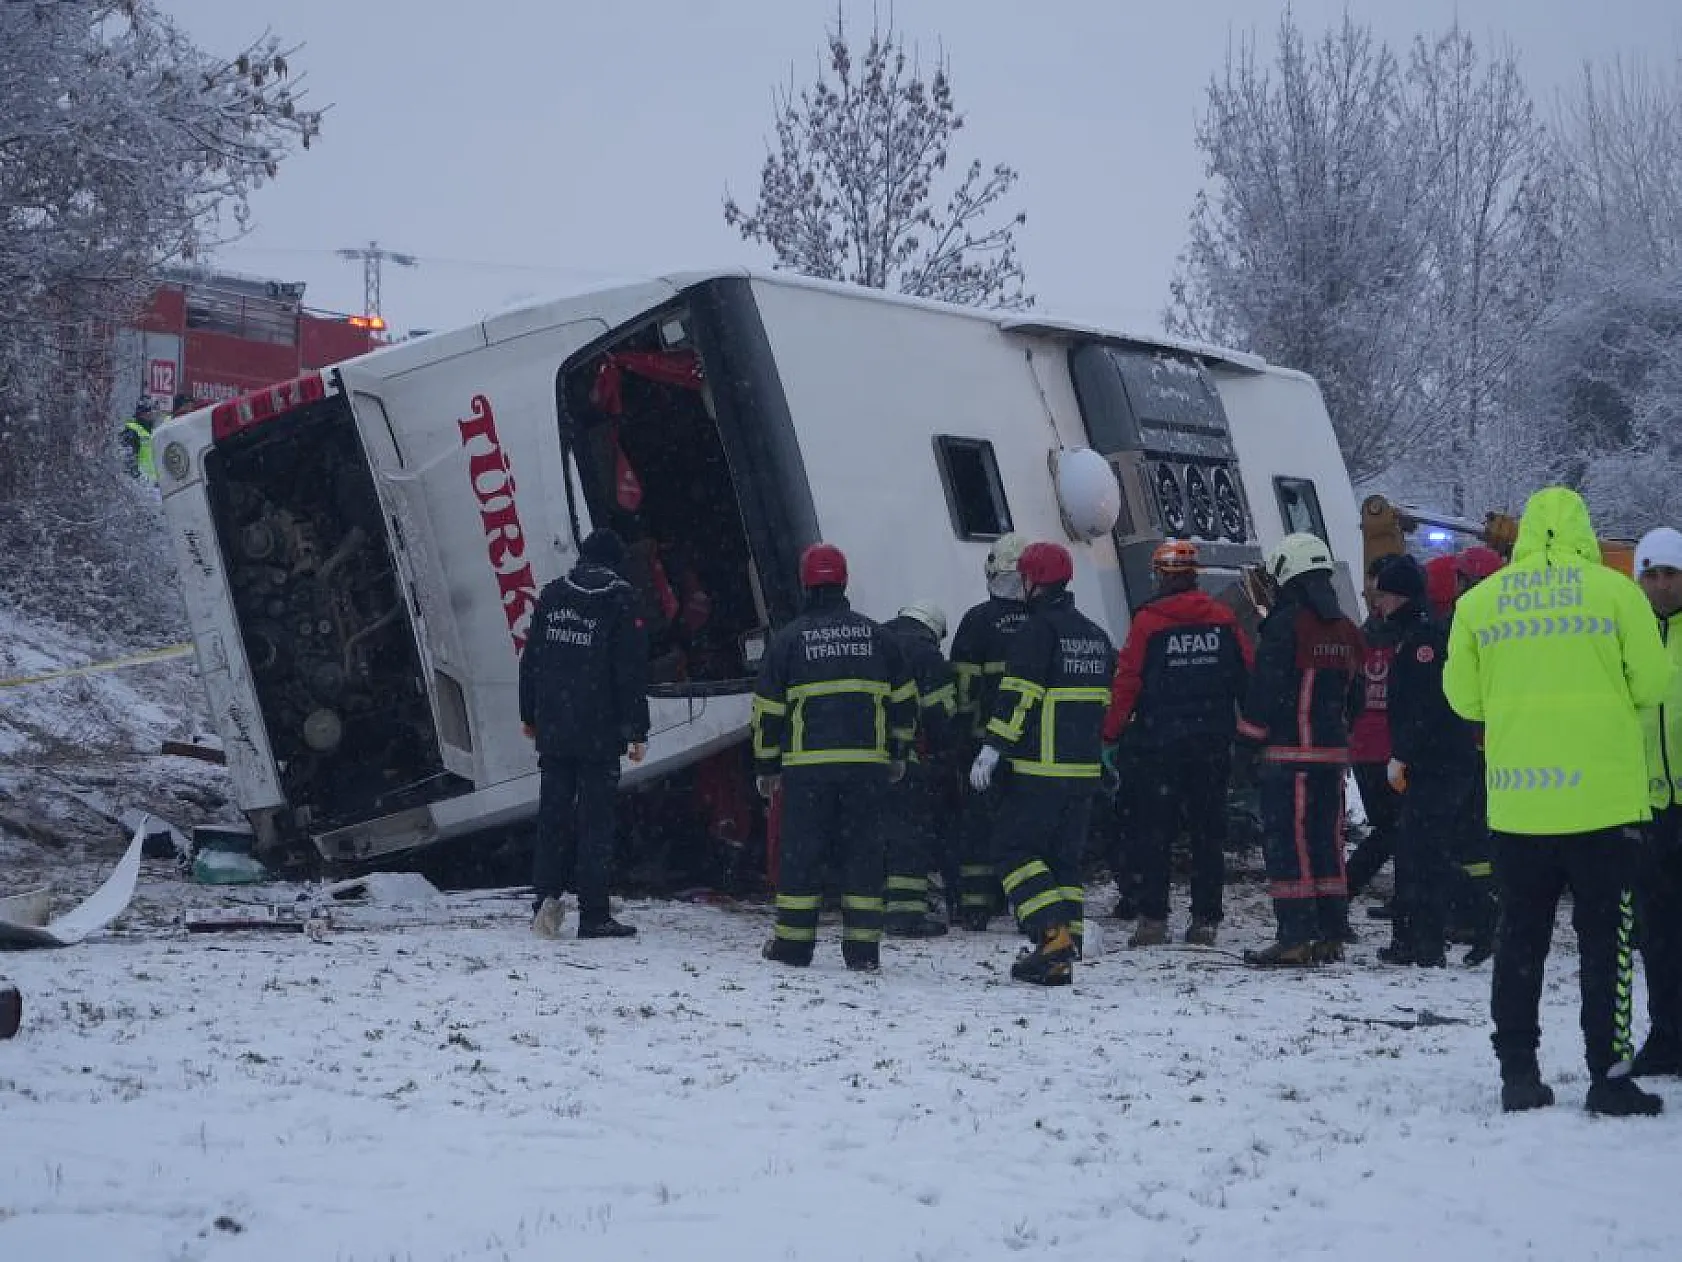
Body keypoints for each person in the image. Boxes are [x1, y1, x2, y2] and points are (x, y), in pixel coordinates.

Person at [1444, 487, 1673, 1116]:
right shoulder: (1616, 592)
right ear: (1584, 531)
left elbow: (1464, 700)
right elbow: (1653, 684)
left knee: (1520, 942)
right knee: (1608, 948)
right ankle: (1609, 1077)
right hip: (1605, 809)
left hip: (1521, 809)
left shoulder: (1482, 603)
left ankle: (1519, 1073)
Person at [751, 543, 917, 972]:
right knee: (863, 855)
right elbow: (905, 704)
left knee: (801, 857)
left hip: (808, 771)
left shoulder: (789, 641)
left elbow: (767, 712)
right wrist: (897, 753)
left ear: (806, 584)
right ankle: (862, 950)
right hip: (867, 769)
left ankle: (793, 945)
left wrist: (767, 767)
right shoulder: (880, 638)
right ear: (844, 583)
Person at [969, 542, 1115, 985]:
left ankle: (1049, 935)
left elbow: (1018, 697)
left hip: (1039, 770)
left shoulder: (1037, 631)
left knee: (1013, 852)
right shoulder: (1093, 634)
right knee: (1063, 864)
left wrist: (992, 747)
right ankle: (1061, 953)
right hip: (1083, 771)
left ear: (1033, 582)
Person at [1101, 539, 1251, 947]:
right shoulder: (1223, 620)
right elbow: (1246, 676)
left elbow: (1127, 681)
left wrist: (1110, 734)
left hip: (1159, 745)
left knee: (1154, 833)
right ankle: (1205, 920)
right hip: (1212, 743)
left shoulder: (1148, 623)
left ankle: (1153, 918)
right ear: (1195, 575)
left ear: (1160, 577)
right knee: (1208, 835)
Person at [1237, 533, 1365, 967]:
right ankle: (1331, 931)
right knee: (1327, 842)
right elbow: (1358, 699)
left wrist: (1246, 745)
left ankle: (1293, 937)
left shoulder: (1284, 625)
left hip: (1288, 758)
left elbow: (1264, 693)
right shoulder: (1348, 629)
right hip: (1331, 759)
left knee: (1288, 845)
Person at [519, 528, 649, 940]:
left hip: (555, 726)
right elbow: (628, 670)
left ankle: (545, 902)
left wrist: (529, 713)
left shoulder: (553, 594)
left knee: (553, 818)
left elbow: (531, 659)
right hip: (599, 729)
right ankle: (593, 914)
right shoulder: (620, 598)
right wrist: (636, 729)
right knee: (595, 823)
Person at [1368, 554, 1480, 969]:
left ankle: (1465, 922)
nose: (1377, 604)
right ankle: (1416, 940)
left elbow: (1425, 708)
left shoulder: (1423, 642)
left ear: (1400, 597)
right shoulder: (1413, 635)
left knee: (1424, 853)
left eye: (1383, 596)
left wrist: (1402, 756)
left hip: (1437, 764)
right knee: (1416, 852)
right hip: (1433, 762)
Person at [949, 533, 1031, 930]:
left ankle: (978, 904)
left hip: (986, 743)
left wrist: (963, 732)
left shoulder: (977, 621)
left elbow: (963, 687)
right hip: (1036, 746)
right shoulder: (1043, 620)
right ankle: (1027, 901)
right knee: (1026, 825)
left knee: (980, 821)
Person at [1632, 527, 1682, 1078]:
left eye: (1671, 573)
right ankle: (1667, 1033)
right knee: (1658, 932)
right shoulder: (1628, 633)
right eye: (1653, 574)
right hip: (1646, 807)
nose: (1662, 585)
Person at [881, 600, 959, 936]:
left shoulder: (874, 638)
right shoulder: (925, 654)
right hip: (900, 757)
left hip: (854, 757)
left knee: (869, 833)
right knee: (908, 835)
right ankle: (905, 913)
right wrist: (948, 755)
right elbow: (940, 714)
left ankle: (867, 904)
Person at [1347, 557, 1403, 914]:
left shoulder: (1362, 635)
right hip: (1387, 749)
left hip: (1370, 748)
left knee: (1392, 829)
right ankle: (1346, 890)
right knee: (1396, 829)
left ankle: (1346, 892)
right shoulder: (1404, 636)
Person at [120, 397, 160, 483]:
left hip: (153, 484)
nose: (154, 415)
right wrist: (137, 479)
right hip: (142, 484)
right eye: (151, 411)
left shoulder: (151, 431)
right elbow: (128, 460)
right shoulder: (131, 431)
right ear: (143, 413)